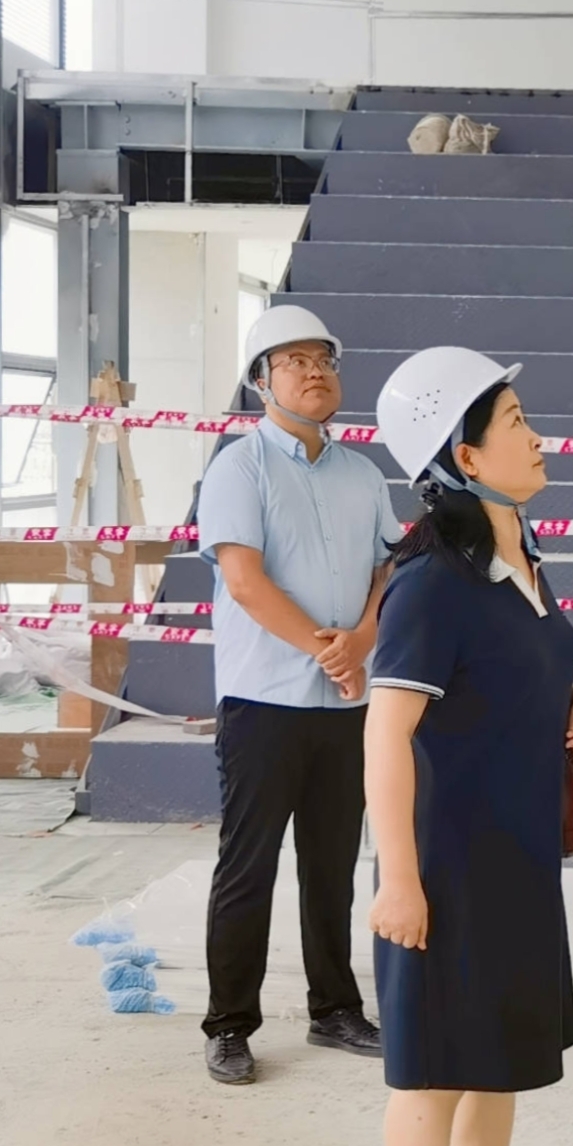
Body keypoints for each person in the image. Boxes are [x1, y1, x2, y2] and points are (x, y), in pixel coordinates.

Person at [360, 346, 573, 1146]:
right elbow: (384, 732)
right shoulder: (432, 584)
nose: (536, 437)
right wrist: (398, 879)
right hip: (445, 867)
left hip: (516, 857)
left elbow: (514, 669)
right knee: (432, 1071)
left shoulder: (522, 565)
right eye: (515, 423)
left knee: (496, 1054)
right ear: (465, 458)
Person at [194, 302, 398, 1085]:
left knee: (332, 863)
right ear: (261, 380)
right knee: (247, 866)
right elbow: (245, 581)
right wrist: (330, 650)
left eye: (324, 359)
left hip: (344, 705)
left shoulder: (362, 474)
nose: (315, 371)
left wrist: (362, 640)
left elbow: (387, 569)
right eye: (294, 360)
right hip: (263, 700)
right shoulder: (238, 467)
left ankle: (334, 1009)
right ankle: (229, 1024)